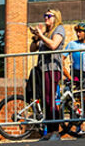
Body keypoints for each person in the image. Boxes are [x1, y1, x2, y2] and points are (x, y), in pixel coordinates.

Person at [29, 8, 67, 138]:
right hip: (43, 68)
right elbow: (32, 49)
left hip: (52, 67)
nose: (45, 18)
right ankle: (50, 130)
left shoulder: (59, 29)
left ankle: (55, 130)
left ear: (55, 17)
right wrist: (35, 37)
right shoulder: (46, 32)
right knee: (45, 100)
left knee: (51, 99)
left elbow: (53, 45)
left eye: (48, 16)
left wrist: (41, 36)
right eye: (45, 16)